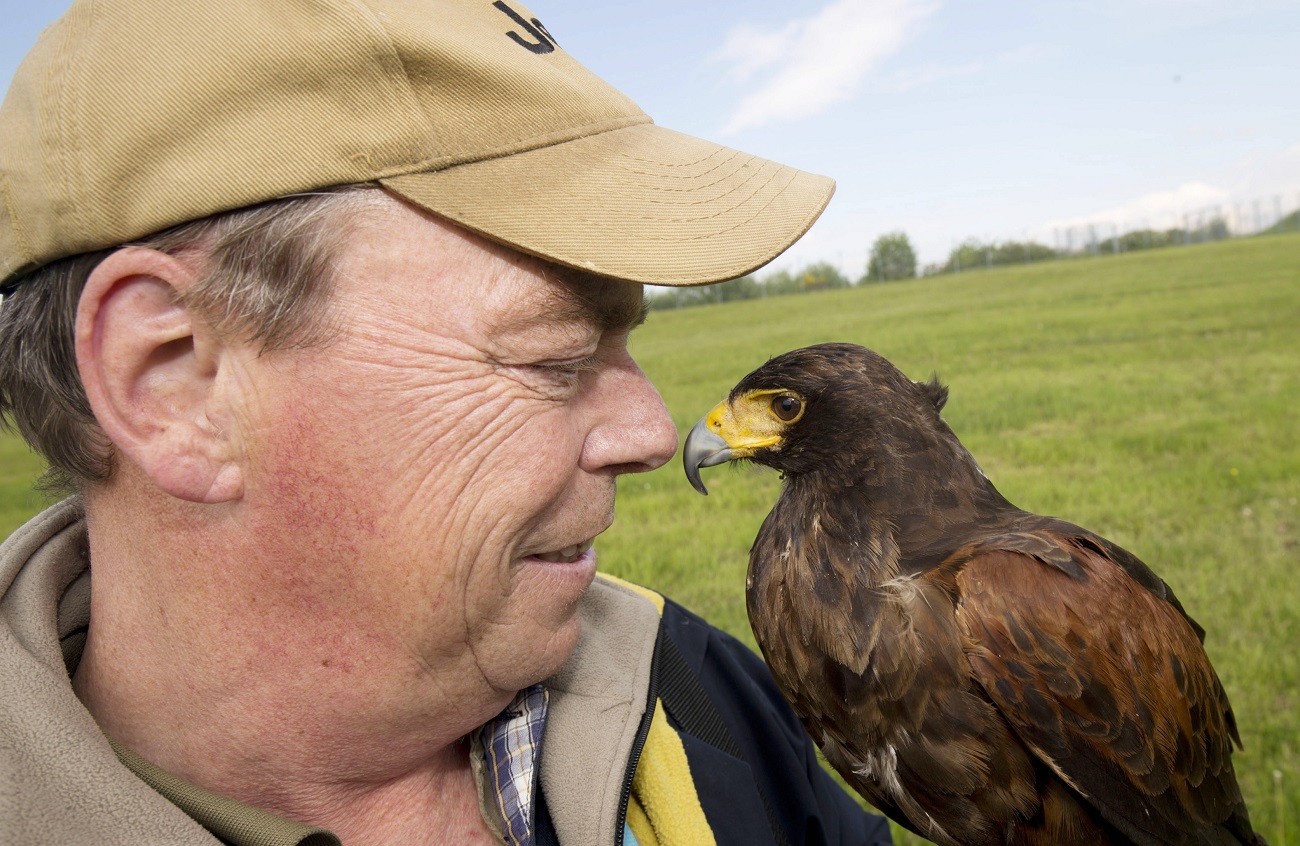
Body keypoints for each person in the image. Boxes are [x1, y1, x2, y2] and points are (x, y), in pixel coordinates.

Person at [0, 0, 894, 844]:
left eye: (624, 341)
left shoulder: (694, 690)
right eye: (553, 355)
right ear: (174, 384)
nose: (652, 433)